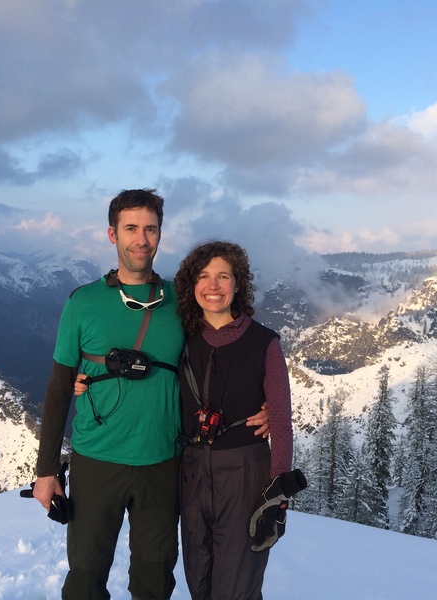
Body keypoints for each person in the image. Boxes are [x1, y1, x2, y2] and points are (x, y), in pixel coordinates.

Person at [33, 190, 268, 600]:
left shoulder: (183, 301)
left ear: (159, 234)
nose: (141, 239)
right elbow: (57, 389)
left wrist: (265, 404)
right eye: (131, 228)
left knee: (155, 577)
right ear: (112, 234)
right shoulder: (83, 303)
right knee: (86, 576)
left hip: (163, 462)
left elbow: (228, 348)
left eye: (150, 229)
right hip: (96, 460)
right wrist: (46, 470)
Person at [174, 240, 293, 600]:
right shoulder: (180, 337)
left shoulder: (264, 343)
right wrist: (85, 379)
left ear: (237, 284)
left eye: (223, 276)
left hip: (244, 475)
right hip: (192, 472)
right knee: (200, 581)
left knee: (236, 587)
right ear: (192, 285)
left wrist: (278, 491)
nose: (213, 286)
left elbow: (282, 421)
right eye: (204, 276)